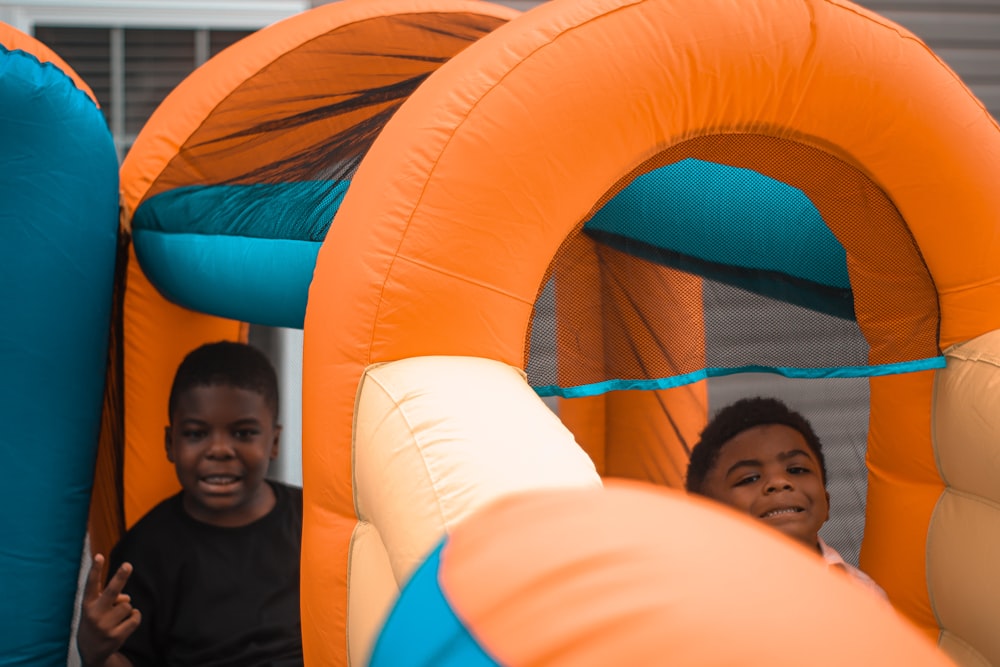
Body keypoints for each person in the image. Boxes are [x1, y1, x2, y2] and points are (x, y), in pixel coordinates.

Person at [77, 341, 303, 667]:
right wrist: (95, 653)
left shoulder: (310, 521)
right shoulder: (145, 550)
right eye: (197, 434)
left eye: (243, 433)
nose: (220, 450)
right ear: (171, 443)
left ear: (275, 442)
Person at [684, 396, 888, 601]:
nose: (779, 482)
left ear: (827, 502)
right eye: (750, 478)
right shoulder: (698, 600)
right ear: (708, 517)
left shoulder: (864, 595)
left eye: (797, 469)